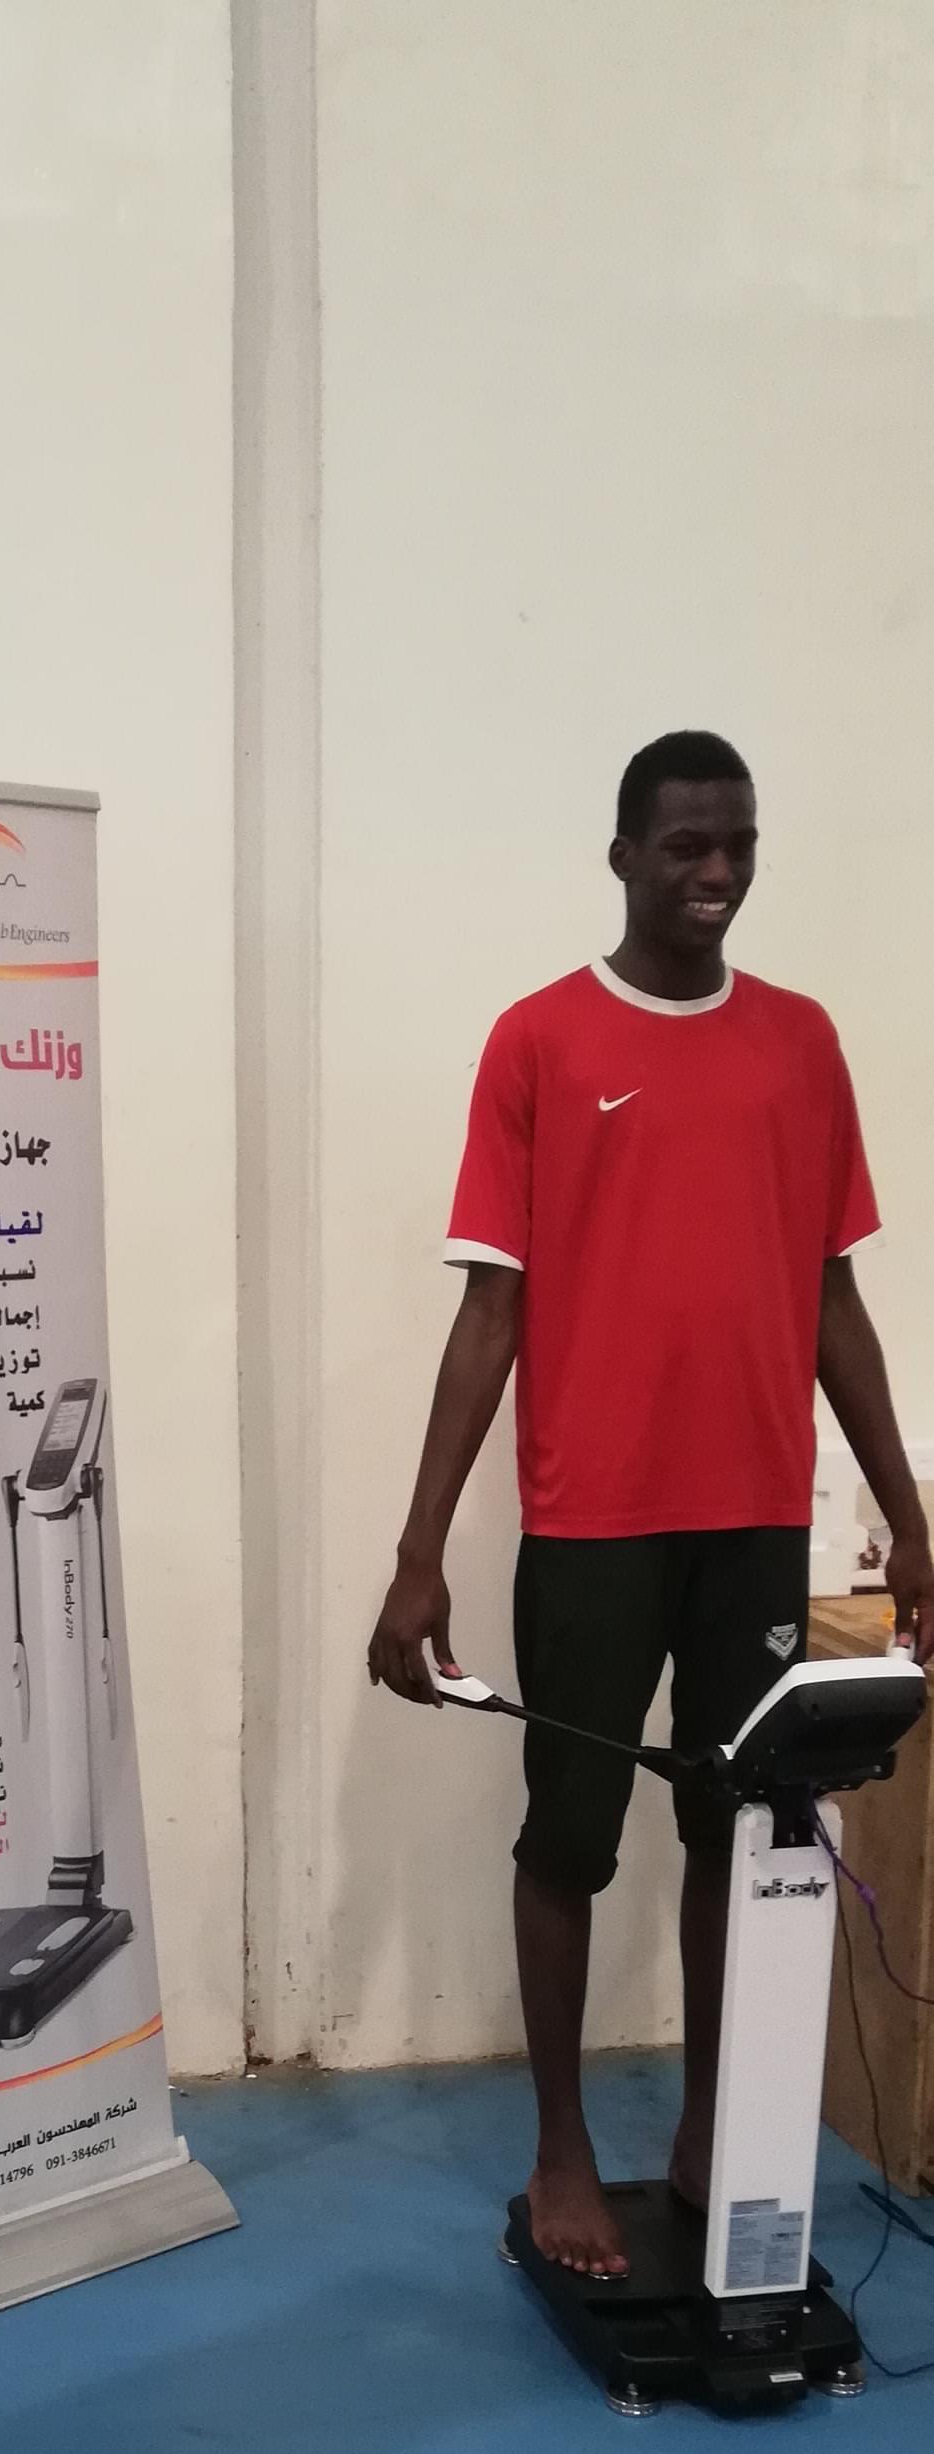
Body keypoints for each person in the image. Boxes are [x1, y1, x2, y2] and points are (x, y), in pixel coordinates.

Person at [368, 732, 934, 2280]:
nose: (718, 872)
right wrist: (419, 1553)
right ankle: (562, 2148)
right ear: (623, 855)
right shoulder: (540, 1041)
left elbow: (831, 1297)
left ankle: (708, 2125)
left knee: (739, 1824)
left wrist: (906, 1512)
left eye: (738, 843)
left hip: (751, 1516)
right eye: (687, 845)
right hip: (593, 1523)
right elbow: (490, 1312)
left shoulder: (802, 1043)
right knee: (571, 1832)